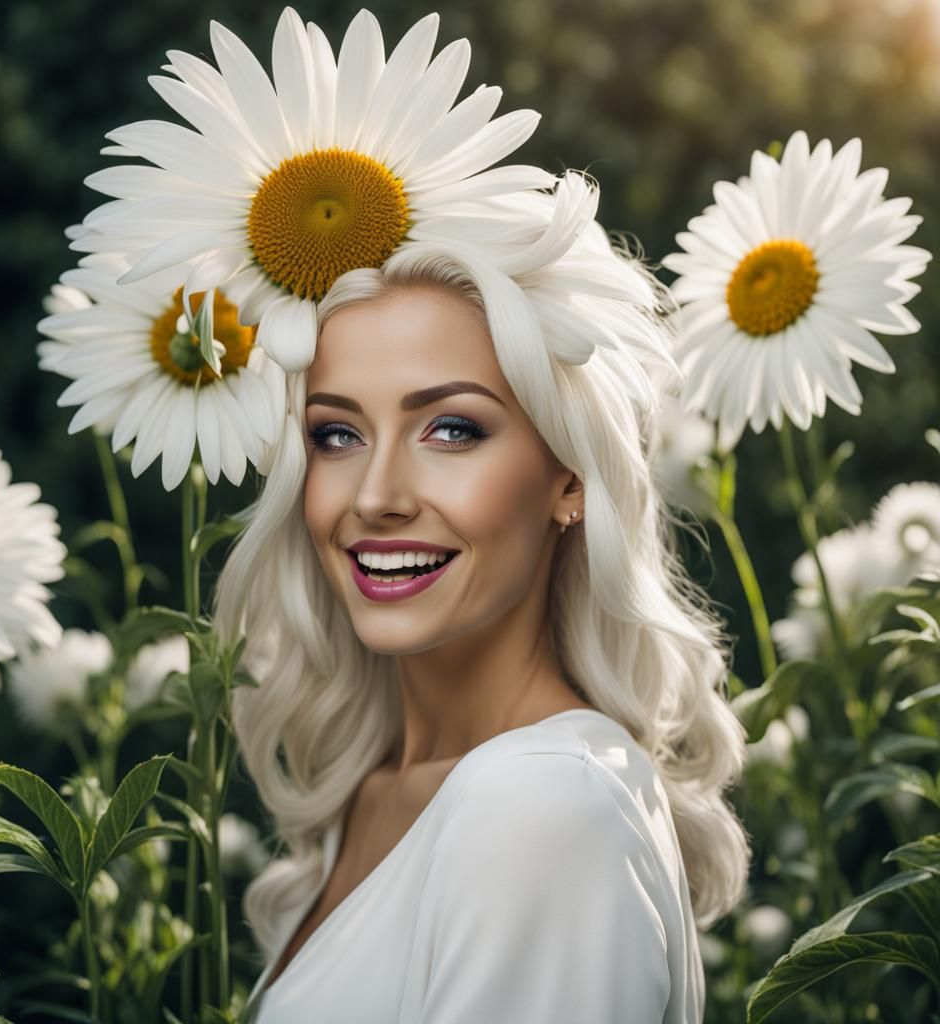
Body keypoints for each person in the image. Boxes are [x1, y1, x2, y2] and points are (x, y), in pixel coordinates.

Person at [212, 194, 753, 1019]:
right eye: (336, 435)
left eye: (453, 430)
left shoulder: (542, 801)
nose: (378, 496)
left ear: (569, 477)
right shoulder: (377, 792)